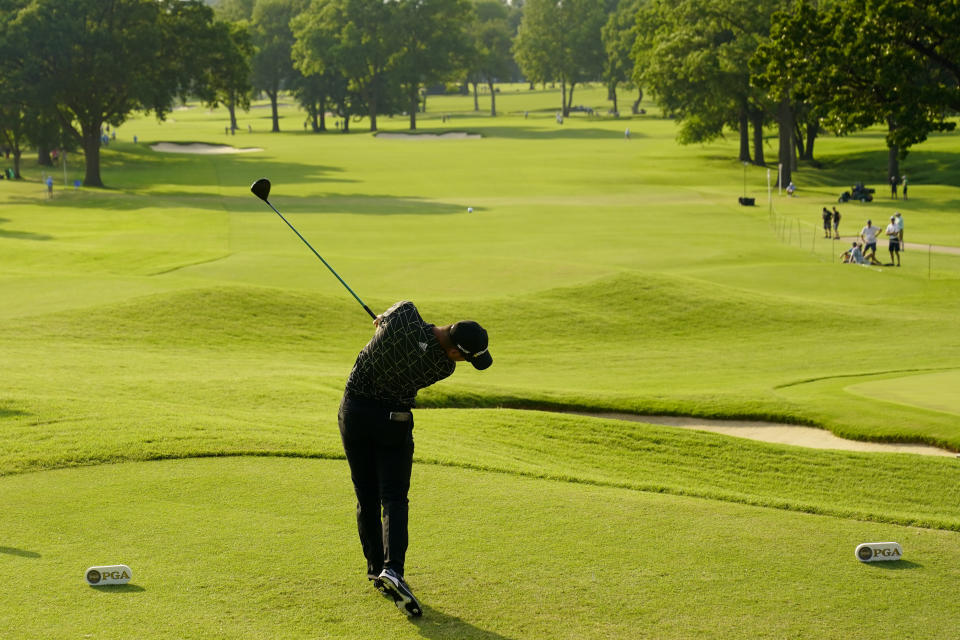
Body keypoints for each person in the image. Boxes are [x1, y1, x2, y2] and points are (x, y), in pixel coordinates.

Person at [339, 301, 492, 617]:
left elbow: (392, 316)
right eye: (466, 358)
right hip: (393, 424)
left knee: (366, 497)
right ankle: (392, 569)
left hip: (355, 414)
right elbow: (419, 342)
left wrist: (384, 321)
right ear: (455, 353)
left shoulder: (406, 315)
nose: (461, 363)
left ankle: (375, 572)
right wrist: (386, 325)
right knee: (393, 498)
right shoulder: (443, 367)